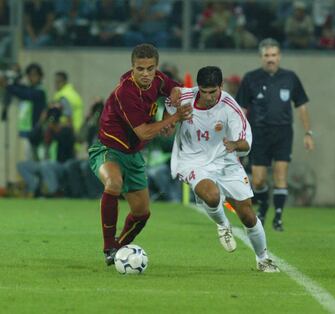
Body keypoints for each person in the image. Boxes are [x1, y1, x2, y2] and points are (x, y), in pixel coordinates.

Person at [165, 66, 279, 272]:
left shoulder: (230, 107)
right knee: (211, 195)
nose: (208, 97)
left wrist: (235, 145)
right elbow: (166, 126)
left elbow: (245, 142)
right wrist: (173, 120)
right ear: (198, 87)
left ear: (221, 86)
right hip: (192, 160)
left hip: (225, 159)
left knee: (247, 214)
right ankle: (223, 224)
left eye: (213, 92)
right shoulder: (183, 97)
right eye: (204, 91)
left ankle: (263, 258)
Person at [88, 43, 192, 266]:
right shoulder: (125, 92)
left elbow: (175, 89)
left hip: (134, 156)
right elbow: (144, 132)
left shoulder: (158, 80)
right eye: (140, 69)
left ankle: (119, 248)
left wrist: (169, 105)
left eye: (150, 68)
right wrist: (173, 119)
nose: (146, 74)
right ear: (132, 68)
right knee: (113, 183)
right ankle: (108, 247)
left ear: (155, 67)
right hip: (109, 150)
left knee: (142, 213)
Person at [236, 38, 315, 232]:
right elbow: (241, 109)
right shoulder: (250, 78)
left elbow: (302, 106)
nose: (270, 59)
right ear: (261, 57)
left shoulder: (290, 78)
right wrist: (238, 135)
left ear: (279, 57)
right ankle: (263, 205)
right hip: (258, 134)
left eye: (273, 55)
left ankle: (278, 218)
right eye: (266, 56)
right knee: (258, 180)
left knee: (281, 175)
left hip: (283, 132)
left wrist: (308, 132)